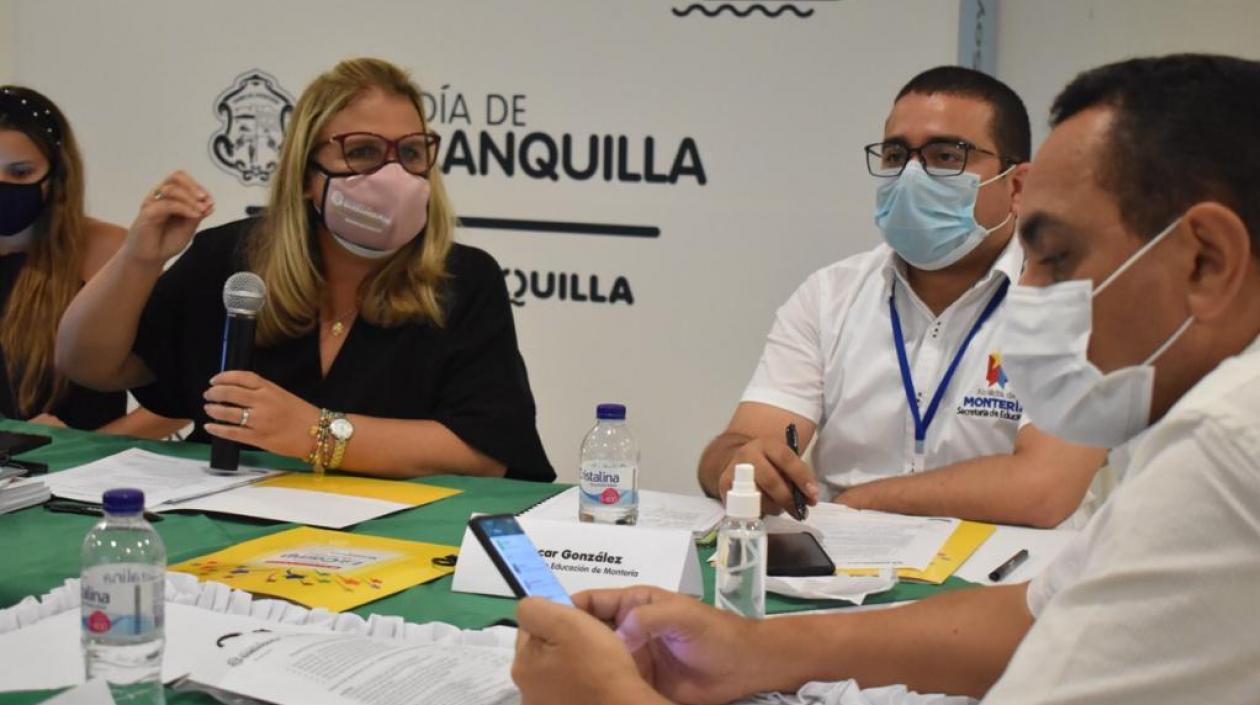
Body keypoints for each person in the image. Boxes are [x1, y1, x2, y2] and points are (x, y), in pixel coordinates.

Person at [513, 53, 1260, 704]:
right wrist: (752, 651)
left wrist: (611, 696)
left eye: (1058, 258)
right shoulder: (1213, 422)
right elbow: (1035, 615)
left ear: (1208, 261)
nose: (1031, 295)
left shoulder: (1226, 448)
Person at [56, 58, 555, 482]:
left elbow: (487, 453)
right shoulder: (232, 259)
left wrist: (317, 433)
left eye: (409, 153)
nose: (392, 175)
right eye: (362, 152)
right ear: (306, 175)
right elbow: (93, 366)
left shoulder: (462, 279)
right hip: (228, 527)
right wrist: (139, 259)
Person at [697, 67, 1106, 528]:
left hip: (1011, 580)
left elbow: (1042, 489)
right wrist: (739, 465)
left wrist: (860, 501)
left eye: (947, 155)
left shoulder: (1077, 302)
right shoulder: (830, 294)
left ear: (1016, 187)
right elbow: (739, 444)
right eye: (896, 155)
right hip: (846, 575)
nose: (912, 175)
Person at [0, 85, 184, 437]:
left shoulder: (112, 253)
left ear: (58, 175)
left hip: (81, 478)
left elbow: (184, 395)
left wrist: (81, 446)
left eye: (20, 172)